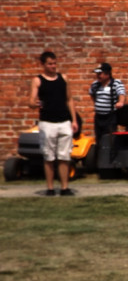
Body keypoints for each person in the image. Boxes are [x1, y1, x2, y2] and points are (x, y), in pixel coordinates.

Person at [29, 51, 79, 196]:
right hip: (47, 122)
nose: (53, 66)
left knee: (64, 156)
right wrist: (35, 103)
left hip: (64, 121)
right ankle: (50, 188)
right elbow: (31, 101)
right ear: (43, 65)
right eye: (50, 64)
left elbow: (69, 99)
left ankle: (64, 187)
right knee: (49, 156)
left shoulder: (63, 78)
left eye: (55, 63)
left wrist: (74, 120)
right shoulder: (38, 80)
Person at [88, 62, 126, 140]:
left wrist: (121, 102)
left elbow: (121, 93)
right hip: (98, 117)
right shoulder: (95, 84)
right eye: (97, 73)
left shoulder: (116, 83)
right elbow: (91, 94)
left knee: (110, 139)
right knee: (99, 138)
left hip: (110, 117)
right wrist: (98, 104)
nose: (98, 76)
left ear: (107, 73)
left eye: (100, 73)